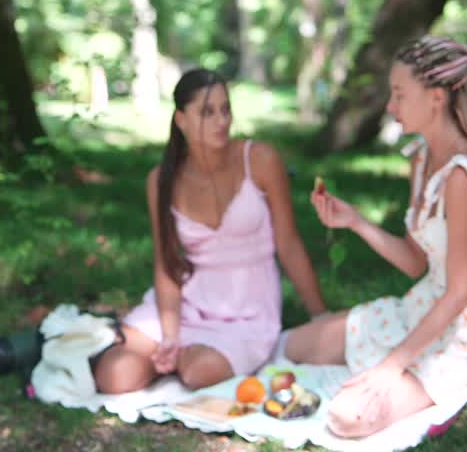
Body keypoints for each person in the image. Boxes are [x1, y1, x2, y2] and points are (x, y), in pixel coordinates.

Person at [284, 36, 467, 438]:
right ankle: (399, 368)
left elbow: (460, 294)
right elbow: (416, 261)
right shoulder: (422, 157)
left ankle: (465, 379)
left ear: (436, 98)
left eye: (399, 95)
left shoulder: (463, 177)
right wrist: (357, 222)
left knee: (348, 417)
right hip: (429, 302)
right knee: (296, 347)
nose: (391, 108)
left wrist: (392, 365)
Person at [94, 68, 328, 393]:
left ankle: (180, 359)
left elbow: (289, 244)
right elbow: (166, 264)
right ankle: (166, 354)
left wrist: (320, 316)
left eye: (225, 109)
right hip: (189, 303)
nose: (222, 121)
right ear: (181, 120)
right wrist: (171, 335)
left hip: (247, 312)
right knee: (114, 376)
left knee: (199, 371)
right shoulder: (161, 180)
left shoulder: (260, 160)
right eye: (207, 112)